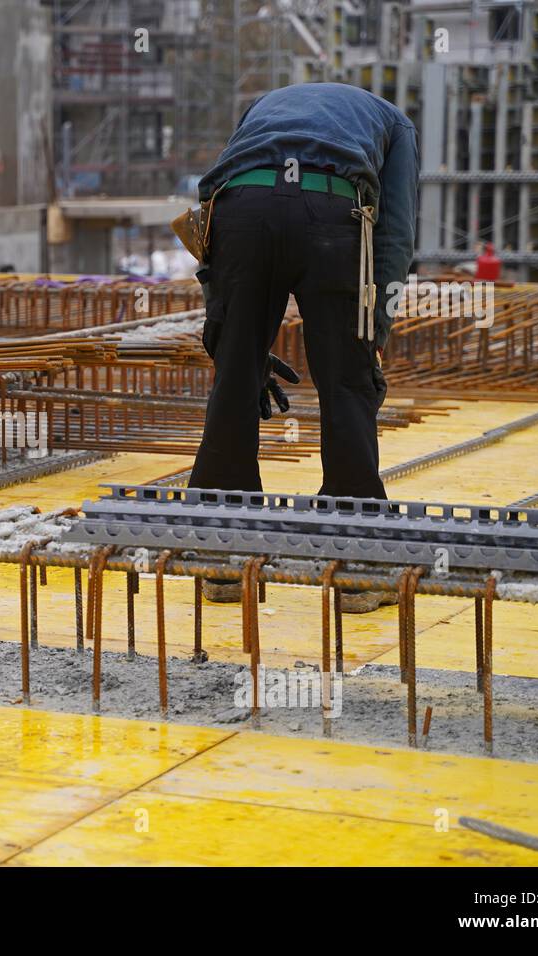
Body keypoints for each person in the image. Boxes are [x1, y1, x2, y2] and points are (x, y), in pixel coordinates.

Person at [188, 83, 420, 612]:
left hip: (239, 212)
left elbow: (217, 202)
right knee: (345, 386)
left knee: (233, 385)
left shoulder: (262, 107)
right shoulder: (396, 125)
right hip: (331, 216)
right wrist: (371, 337)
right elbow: (396, 234)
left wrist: (230, 343)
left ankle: (224, 563)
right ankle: (357, 573)